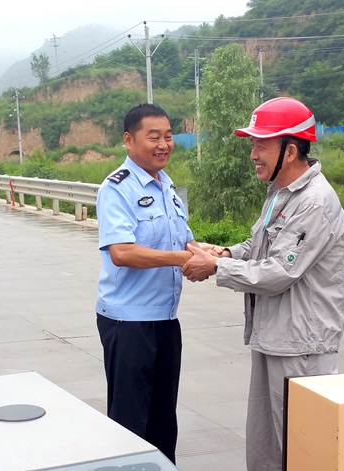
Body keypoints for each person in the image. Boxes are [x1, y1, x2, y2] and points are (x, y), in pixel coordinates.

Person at [182, 97, 344, 471]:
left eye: (261, 145)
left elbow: (278, 273)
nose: (253, 155)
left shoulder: (315, 202)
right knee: (267, 449)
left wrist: (216, 268)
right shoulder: (280, 194)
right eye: (253, 144)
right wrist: (227, 253)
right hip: (275, 338)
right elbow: (260, 246)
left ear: (290, 150)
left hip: (302, 348)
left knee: (302, 452)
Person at [95, 103, 197, 464]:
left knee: (163, 420)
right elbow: (122, 252)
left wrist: (209, 253)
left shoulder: (167, 186)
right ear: (129, 140)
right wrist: (182, 258)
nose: (163, 144)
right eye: (153, 137)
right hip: (128, 322)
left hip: (165, 320)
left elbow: (184, 240)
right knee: (130, 422)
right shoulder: (116, 189)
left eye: (168, 136)